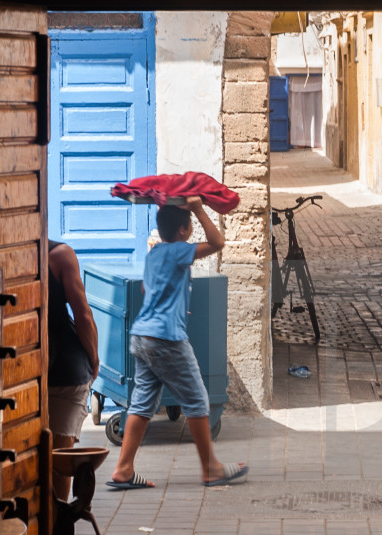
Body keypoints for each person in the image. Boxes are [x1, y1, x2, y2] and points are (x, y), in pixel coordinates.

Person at [108, 196, 247, 489]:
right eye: (191, 224)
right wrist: (198, 207)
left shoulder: (155, 254)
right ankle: (211, 468)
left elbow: (149, 288)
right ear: (184, 230)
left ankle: (123, 468)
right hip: (167, 339)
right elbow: (217, 242)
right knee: (197, 400)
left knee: (142, 403)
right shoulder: (177, 251)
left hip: (142, 336)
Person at [47, 240, 101, 500]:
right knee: (60, 461)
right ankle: (57, 529)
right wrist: (94, 357)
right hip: (66, 371)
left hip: (23, 370)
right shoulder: (59, 255)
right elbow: (83, 315)